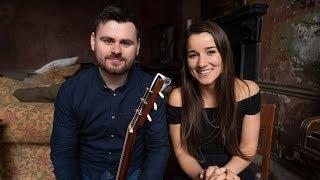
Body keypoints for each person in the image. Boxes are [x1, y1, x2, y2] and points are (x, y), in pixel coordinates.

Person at [50, 6, 170, 180]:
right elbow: (63, 152)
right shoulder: (70, 91)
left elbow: (158, 148)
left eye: (126, 42)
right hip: (86, 174)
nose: (116, 50)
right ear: (93, 41)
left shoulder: (153, 89)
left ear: (137, 47)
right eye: (108, 40)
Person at [167, 21, 260, 180]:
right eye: (193, 55)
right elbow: (182, 152)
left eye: (210, 52)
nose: (201, 63)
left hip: (235, 169)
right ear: (186, 61)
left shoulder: (248, 90)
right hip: (193, 172)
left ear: (224, 55)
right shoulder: (178, 97)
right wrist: (204, 177)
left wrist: (222, 176)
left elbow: (248, 148)